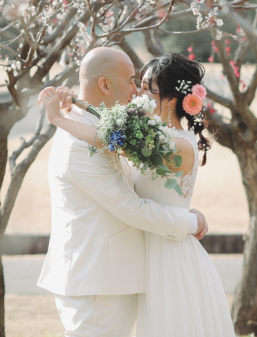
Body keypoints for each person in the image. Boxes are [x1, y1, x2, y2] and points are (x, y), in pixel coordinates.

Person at [41, 52, 235, 337]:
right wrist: (72, 109)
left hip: (166, 253)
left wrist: (62, 116)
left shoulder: (169, 141)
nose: (136, 92)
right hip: (116, 270)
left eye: (145, 87)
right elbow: (112, 147)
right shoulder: (115, 137)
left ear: (170, 98)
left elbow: (109, 140)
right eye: (135, 82)